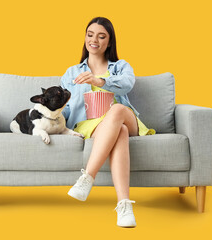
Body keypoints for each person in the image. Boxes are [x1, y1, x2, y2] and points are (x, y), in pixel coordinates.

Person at [60, 17, 155, 228]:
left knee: (118, 110)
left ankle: (87, 177)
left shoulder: (121, 66)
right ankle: (124, 206)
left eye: (101, 36)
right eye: (90, 34)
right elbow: (64, 108)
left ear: (109, 42)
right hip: (92, 126)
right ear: (85, 37)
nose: (94, 40)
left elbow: (128, 84)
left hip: (125, 117)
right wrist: (48, 120)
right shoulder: (72, 73)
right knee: (118, 131)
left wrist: (99, 81)